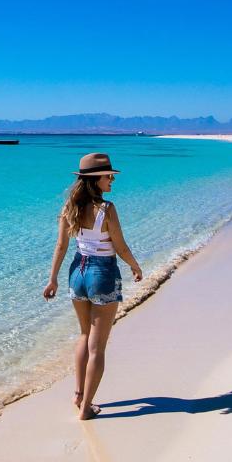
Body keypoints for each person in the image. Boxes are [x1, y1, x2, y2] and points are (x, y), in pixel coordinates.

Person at [43, 152, 143, 420]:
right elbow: (119, 246)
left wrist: (52, 279)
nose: (112, 180)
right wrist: (135, 265)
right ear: (94, 179)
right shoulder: (107, 209)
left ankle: (78, 395)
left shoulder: (69, 208)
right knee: (97, 347)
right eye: (108, 176)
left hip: (77, 272)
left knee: (84, 336)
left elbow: (61, 246)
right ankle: (87, 408)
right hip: (102, 272)